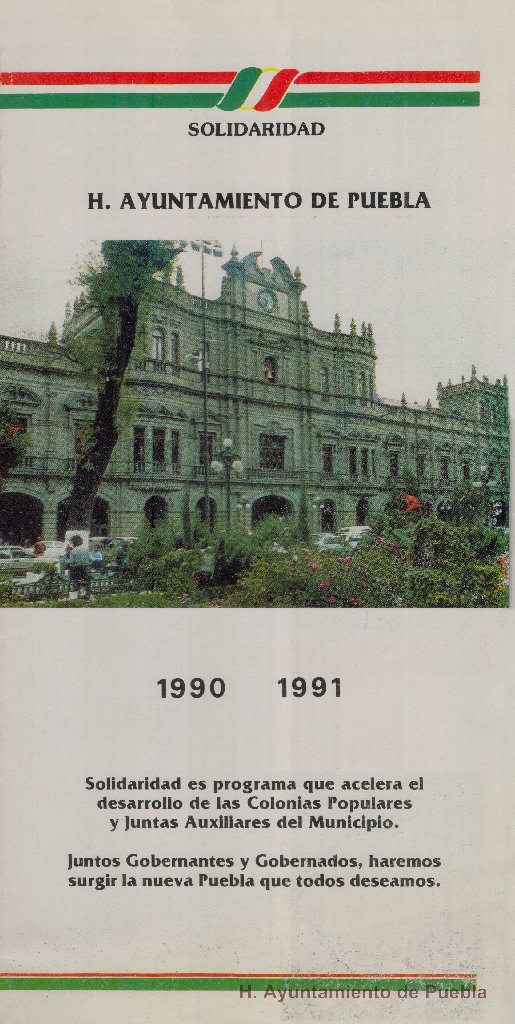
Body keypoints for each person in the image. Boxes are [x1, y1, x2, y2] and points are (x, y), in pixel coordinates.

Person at [68, 534, 91, 600]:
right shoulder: (86, 550)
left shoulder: (73, 551)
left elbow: (72, 562)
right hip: (85, 569)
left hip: (77, 570)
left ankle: (76, 593)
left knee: (74, 580)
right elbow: (90, 559)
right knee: (85, 581)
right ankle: (86, 594)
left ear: (74, 542)